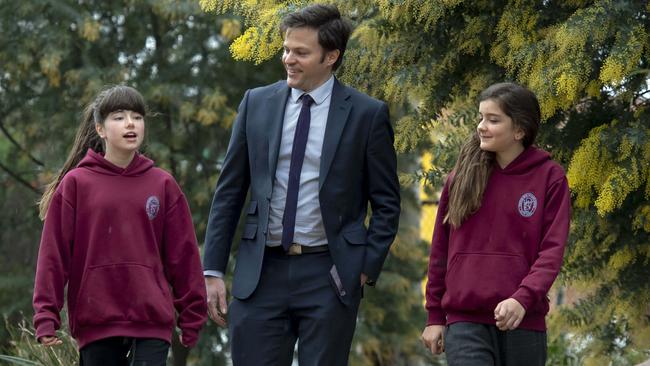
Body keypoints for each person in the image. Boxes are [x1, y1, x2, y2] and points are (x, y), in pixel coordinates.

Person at [202, 4, 401, 365]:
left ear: (331, 56)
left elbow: (387, 203)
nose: (288, 59)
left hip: (329, 274)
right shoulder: (256, 103)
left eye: (301, 52)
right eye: (286, 49)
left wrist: (363, 268)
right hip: (260, 273)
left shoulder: (367, 115)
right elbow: (229, 191)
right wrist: (212, 269)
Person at [33, 85, 208, 365]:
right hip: (97, 321)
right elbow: (53, 255)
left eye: (137, 117)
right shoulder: (76, 184)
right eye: (118, 116)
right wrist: (46, 315)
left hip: (151, 322)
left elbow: (183, 255)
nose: (130, 123)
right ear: (100, 129)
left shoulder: (162, 184)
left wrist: (192, 315)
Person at [421, 82, 571, 365]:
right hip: (465, 320)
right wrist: (434, 315)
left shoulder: (550, 178)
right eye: (481, 117)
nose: (481, 126)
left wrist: (523, 298)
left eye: (493, 120)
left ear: (519, 130)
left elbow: (551, 252)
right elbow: (440, 251)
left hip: (523, 318)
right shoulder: (460, 178)